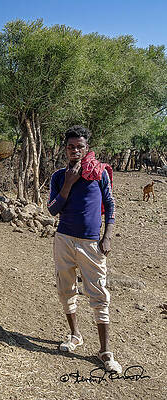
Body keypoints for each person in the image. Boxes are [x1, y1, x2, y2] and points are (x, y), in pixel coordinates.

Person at [47, 125, 122, 374]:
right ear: (65, 149)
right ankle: (75, 335)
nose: (75, 151)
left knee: (99, 293)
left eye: (80, 146)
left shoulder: (99, 174)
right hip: (64, 240)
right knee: (65, 289)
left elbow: (110, 206)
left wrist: (107, 237)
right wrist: (68, 183)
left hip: (91, 243)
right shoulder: (59, 176)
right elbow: (53, 210)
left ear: (87, 148)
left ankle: (105, 350)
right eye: (71, 147)